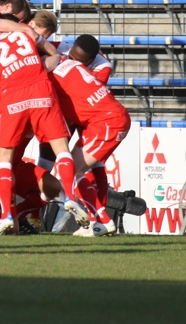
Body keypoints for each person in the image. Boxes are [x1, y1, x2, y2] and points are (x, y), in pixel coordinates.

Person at [0, 15, 89, 235]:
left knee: (4, 158)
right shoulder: (24, 32)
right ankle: (71, 198)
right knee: (61, 149)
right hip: (41, 89)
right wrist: (50, 57)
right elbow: (49, 52)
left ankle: (6, 215)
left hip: (11, 96)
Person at [46, 35, 131, 237]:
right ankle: (98, 222)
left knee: (74, 170)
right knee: (76, 170)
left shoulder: (100, 66)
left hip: (105, 122)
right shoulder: (70, 61)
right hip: (102, 120)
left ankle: (101, 222)